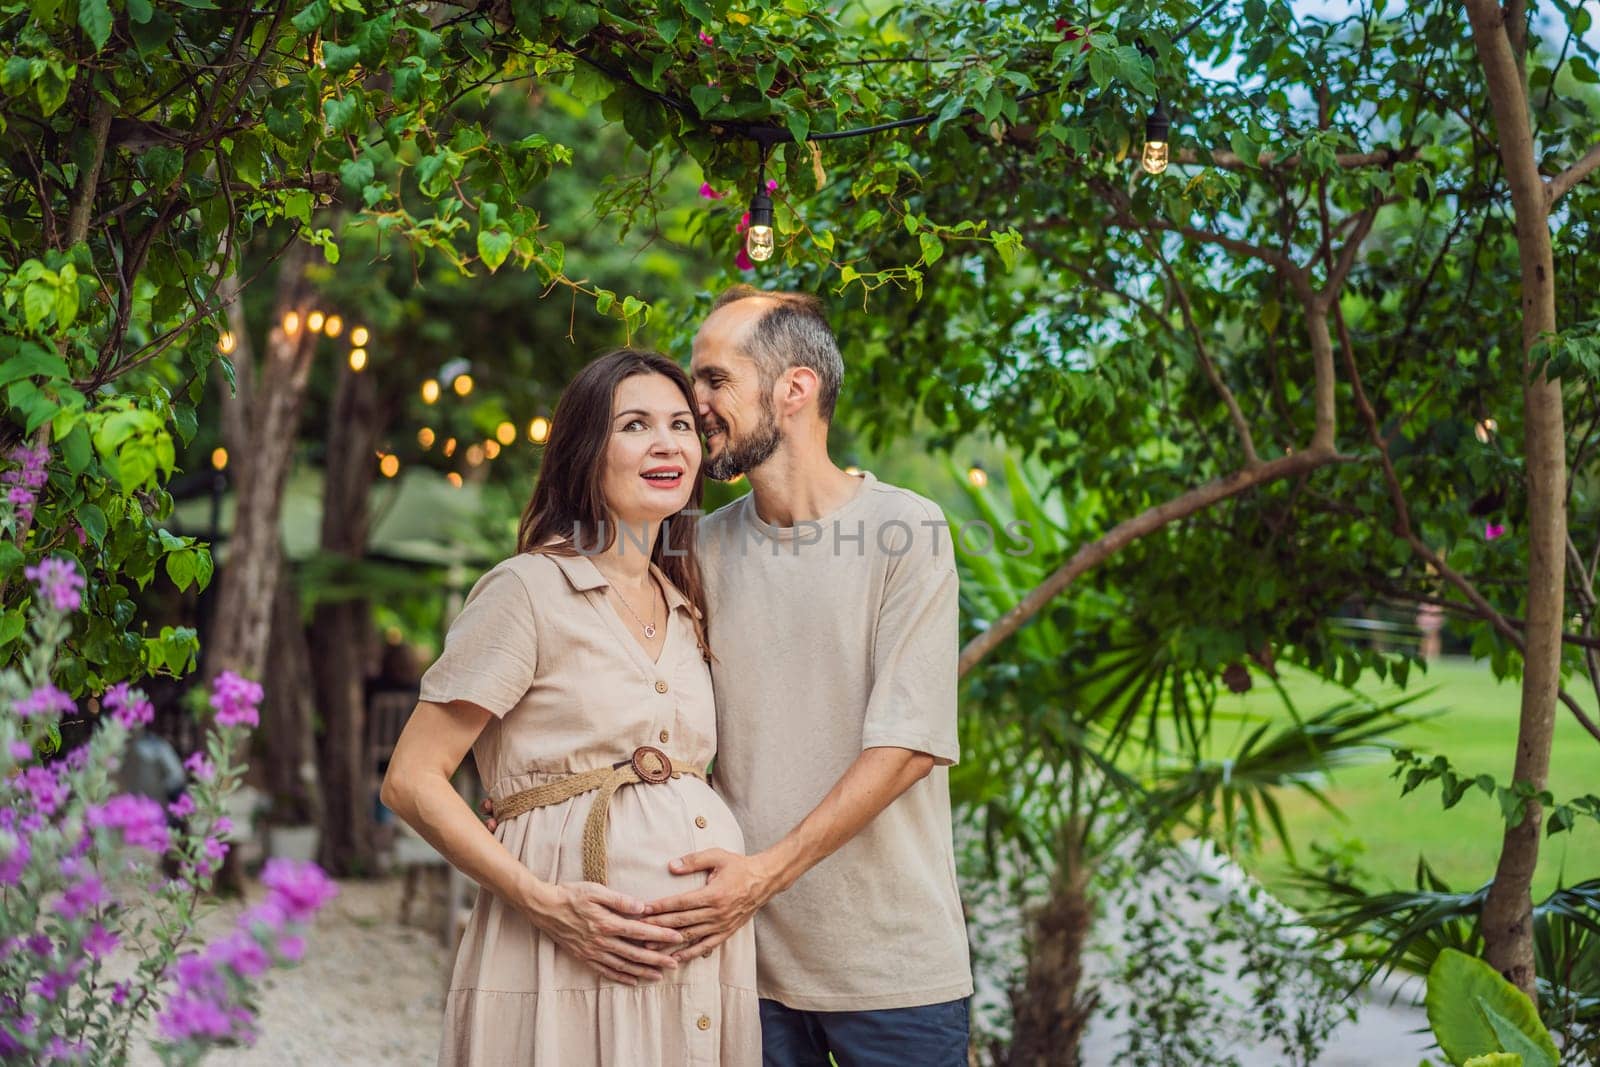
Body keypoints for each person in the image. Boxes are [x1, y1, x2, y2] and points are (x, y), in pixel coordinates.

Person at [381, 349, 760, 1066]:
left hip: (697, 964)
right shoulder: (526, 590)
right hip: (560, 946)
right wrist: (547, 902)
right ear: (587, 450)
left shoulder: (686, 606)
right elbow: (412, 779)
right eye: (635, 424)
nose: (667, 443)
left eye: (681, 425)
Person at [644, 287, 973, 1064]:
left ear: (795, 388)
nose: (695, 404)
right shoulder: (691, 547)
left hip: (894, 974)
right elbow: (646, 707)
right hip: (741, 966)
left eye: (715, 380)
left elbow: (907, 746)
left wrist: (761, 875)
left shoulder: (906, 531)